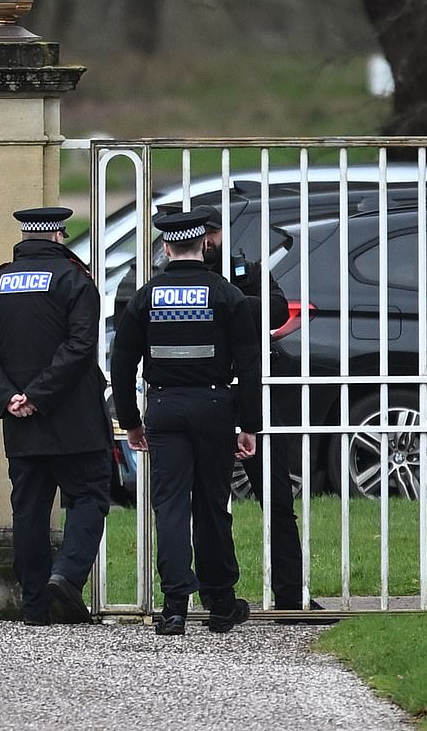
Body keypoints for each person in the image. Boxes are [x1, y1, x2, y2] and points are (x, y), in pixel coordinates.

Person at [111, 209, 262, 636]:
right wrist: (248, 424)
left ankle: (175, 606)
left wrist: (131, 421)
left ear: (165, 247)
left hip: (164, 409)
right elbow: (250, 368)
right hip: (215, 408)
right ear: (204, 246)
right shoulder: (227, 295)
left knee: (171, 506)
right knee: (213, 505)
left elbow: (121, 365)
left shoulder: (147, 296)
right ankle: (221, 604)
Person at [0, 206, 112, 626]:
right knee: (88, 497)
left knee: (28, 510)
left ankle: (34, 607)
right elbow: (81, 346)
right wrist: (39, 394)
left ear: (25, 237)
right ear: (59, 235)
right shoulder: (74, 280)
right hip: (74, 420)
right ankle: (65, 577)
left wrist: (11, 397)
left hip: (21, 423)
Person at [195, 203, 326, 617]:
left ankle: (290, 596)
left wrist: (228, 302)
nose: (207, 242)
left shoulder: (245, 271)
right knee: (211, 502)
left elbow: (274, 308)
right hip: (207, 399)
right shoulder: (179, 281)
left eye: (212, 234)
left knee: (277, 501)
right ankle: (216, 596)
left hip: (257, 397)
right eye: (201, 235)